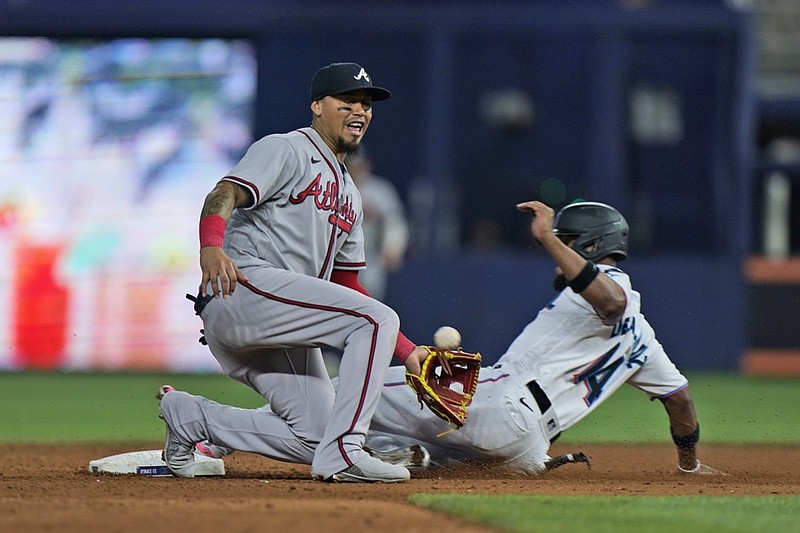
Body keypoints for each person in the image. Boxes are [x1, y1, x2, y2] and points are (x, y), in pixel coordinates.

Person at [155, 62, 430, 483]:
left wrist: (410, 353)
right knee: (378, 319)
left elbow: (346, 284)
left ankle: (191, 417)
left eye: (366, 104)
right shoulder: (287, 148)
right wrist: (211, 245)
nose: (360, 110)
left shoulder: (351, 196)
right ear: (317, 106)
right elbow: (225, 191)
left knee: (314, 436)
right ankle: (346, 453)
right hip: (242, 288)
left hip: (281, 317)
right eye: (347, 101)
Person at [362, 200, 724, 475]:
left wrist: (549, 238)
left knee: (348, 390)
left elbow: (612, 302)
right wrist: (688, 466)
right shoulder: (642, 339)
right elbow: (681, 402)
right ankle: (407, 455)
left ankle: (352, 452)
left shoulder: (611, 289)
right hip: (529, 450)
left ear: (593, 248)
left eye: (568, 242)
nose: (557, 253)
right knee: (425, 446)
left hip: (501, 406)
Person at [345, 147, 409, 301]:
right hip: (344, 255)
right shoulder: (339, 186)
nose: (357, 169)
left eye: (360, 164)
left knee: (371, 300)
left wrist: (393, 247)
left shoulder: (380, 190)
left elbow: (394, 221)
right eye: (354, 165)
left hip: (372, 256)